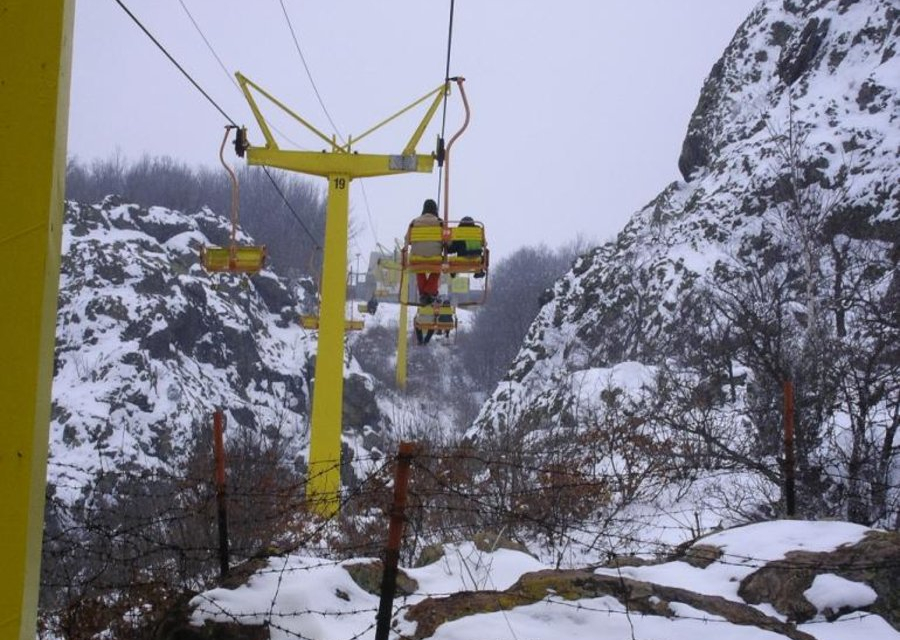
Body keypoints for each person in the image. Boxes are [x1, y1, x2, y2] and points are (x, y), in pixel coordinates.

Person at [409, 198, 443, 303]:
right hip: (435, 256)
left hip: (417, 256)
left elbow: (408, 239)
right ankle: (428, 292)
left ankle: (424, 294)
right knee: (437, 269)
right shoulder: (440, 222)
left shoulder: (414, 222)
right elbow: (447, 241)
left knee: (419, 270)